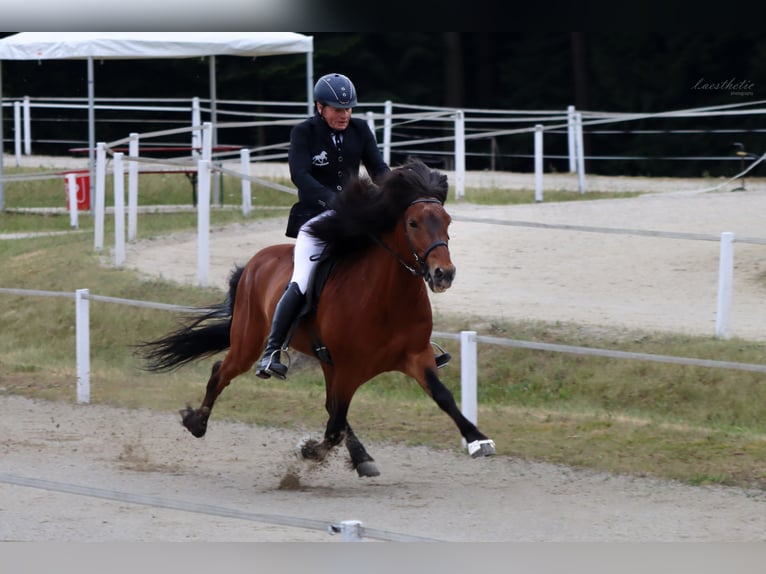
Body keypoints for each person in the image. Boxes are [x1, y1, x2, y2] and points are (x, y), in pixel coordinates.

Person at [255, 72, 449, 380]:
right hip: (316, 219)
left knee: (390, 258)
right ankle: (272, 351)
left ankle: (415, 343)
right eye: (337, 109)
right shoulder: (304, 132)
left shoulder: (360, 129)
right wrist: (334, 200)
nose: (344, 114)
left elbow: (378, 169)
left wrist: (400, 193)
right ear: (320, 107)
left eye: (348, 109)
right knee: (302, 278)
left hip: (355, 215)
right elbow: (300, 176)